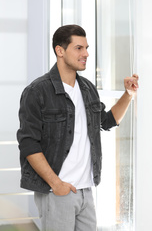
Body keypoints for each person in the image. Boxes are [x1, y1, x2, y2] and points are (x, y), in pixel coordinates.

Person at [17, 24, 139, 231]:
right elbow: (29, 144)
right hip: (57, 191)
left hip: (86, 190)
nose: (86, 54)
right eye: (79, 48)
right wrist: (56, 184)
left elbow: (106, 121)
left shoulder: (87, 88)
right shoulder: (38, 91)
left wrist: (128, 95)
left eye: (86, 48)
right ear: (60, 51)